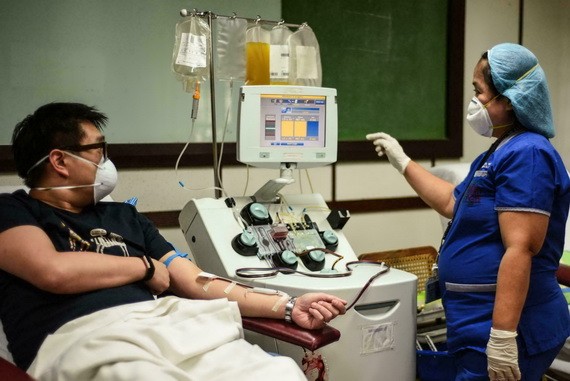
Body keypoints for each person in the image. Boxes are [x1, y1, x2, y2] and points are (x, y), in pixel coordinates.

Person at [0, 102, 347, 381]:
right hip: (84, 340)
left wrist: (286, 306)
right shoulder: (13, 210)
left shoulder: (124, 216)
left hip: (162, 326)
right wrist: (145, 266)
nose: (106, 162)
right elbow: (52, 271)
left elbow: (192, 280)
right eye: (98, 151)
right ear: (60, 160)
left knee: (276, 373)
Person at [367, 43, 570, 381]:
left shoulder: (529, 154)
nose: (473, 100)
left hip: (511, 324)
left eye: (479, 91)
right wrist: (402, 162)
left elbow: (520, 249)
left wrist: (503, 337)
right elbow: (452, 202)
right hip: (474, 320)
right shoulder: (498, 153)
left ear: (508, 99)